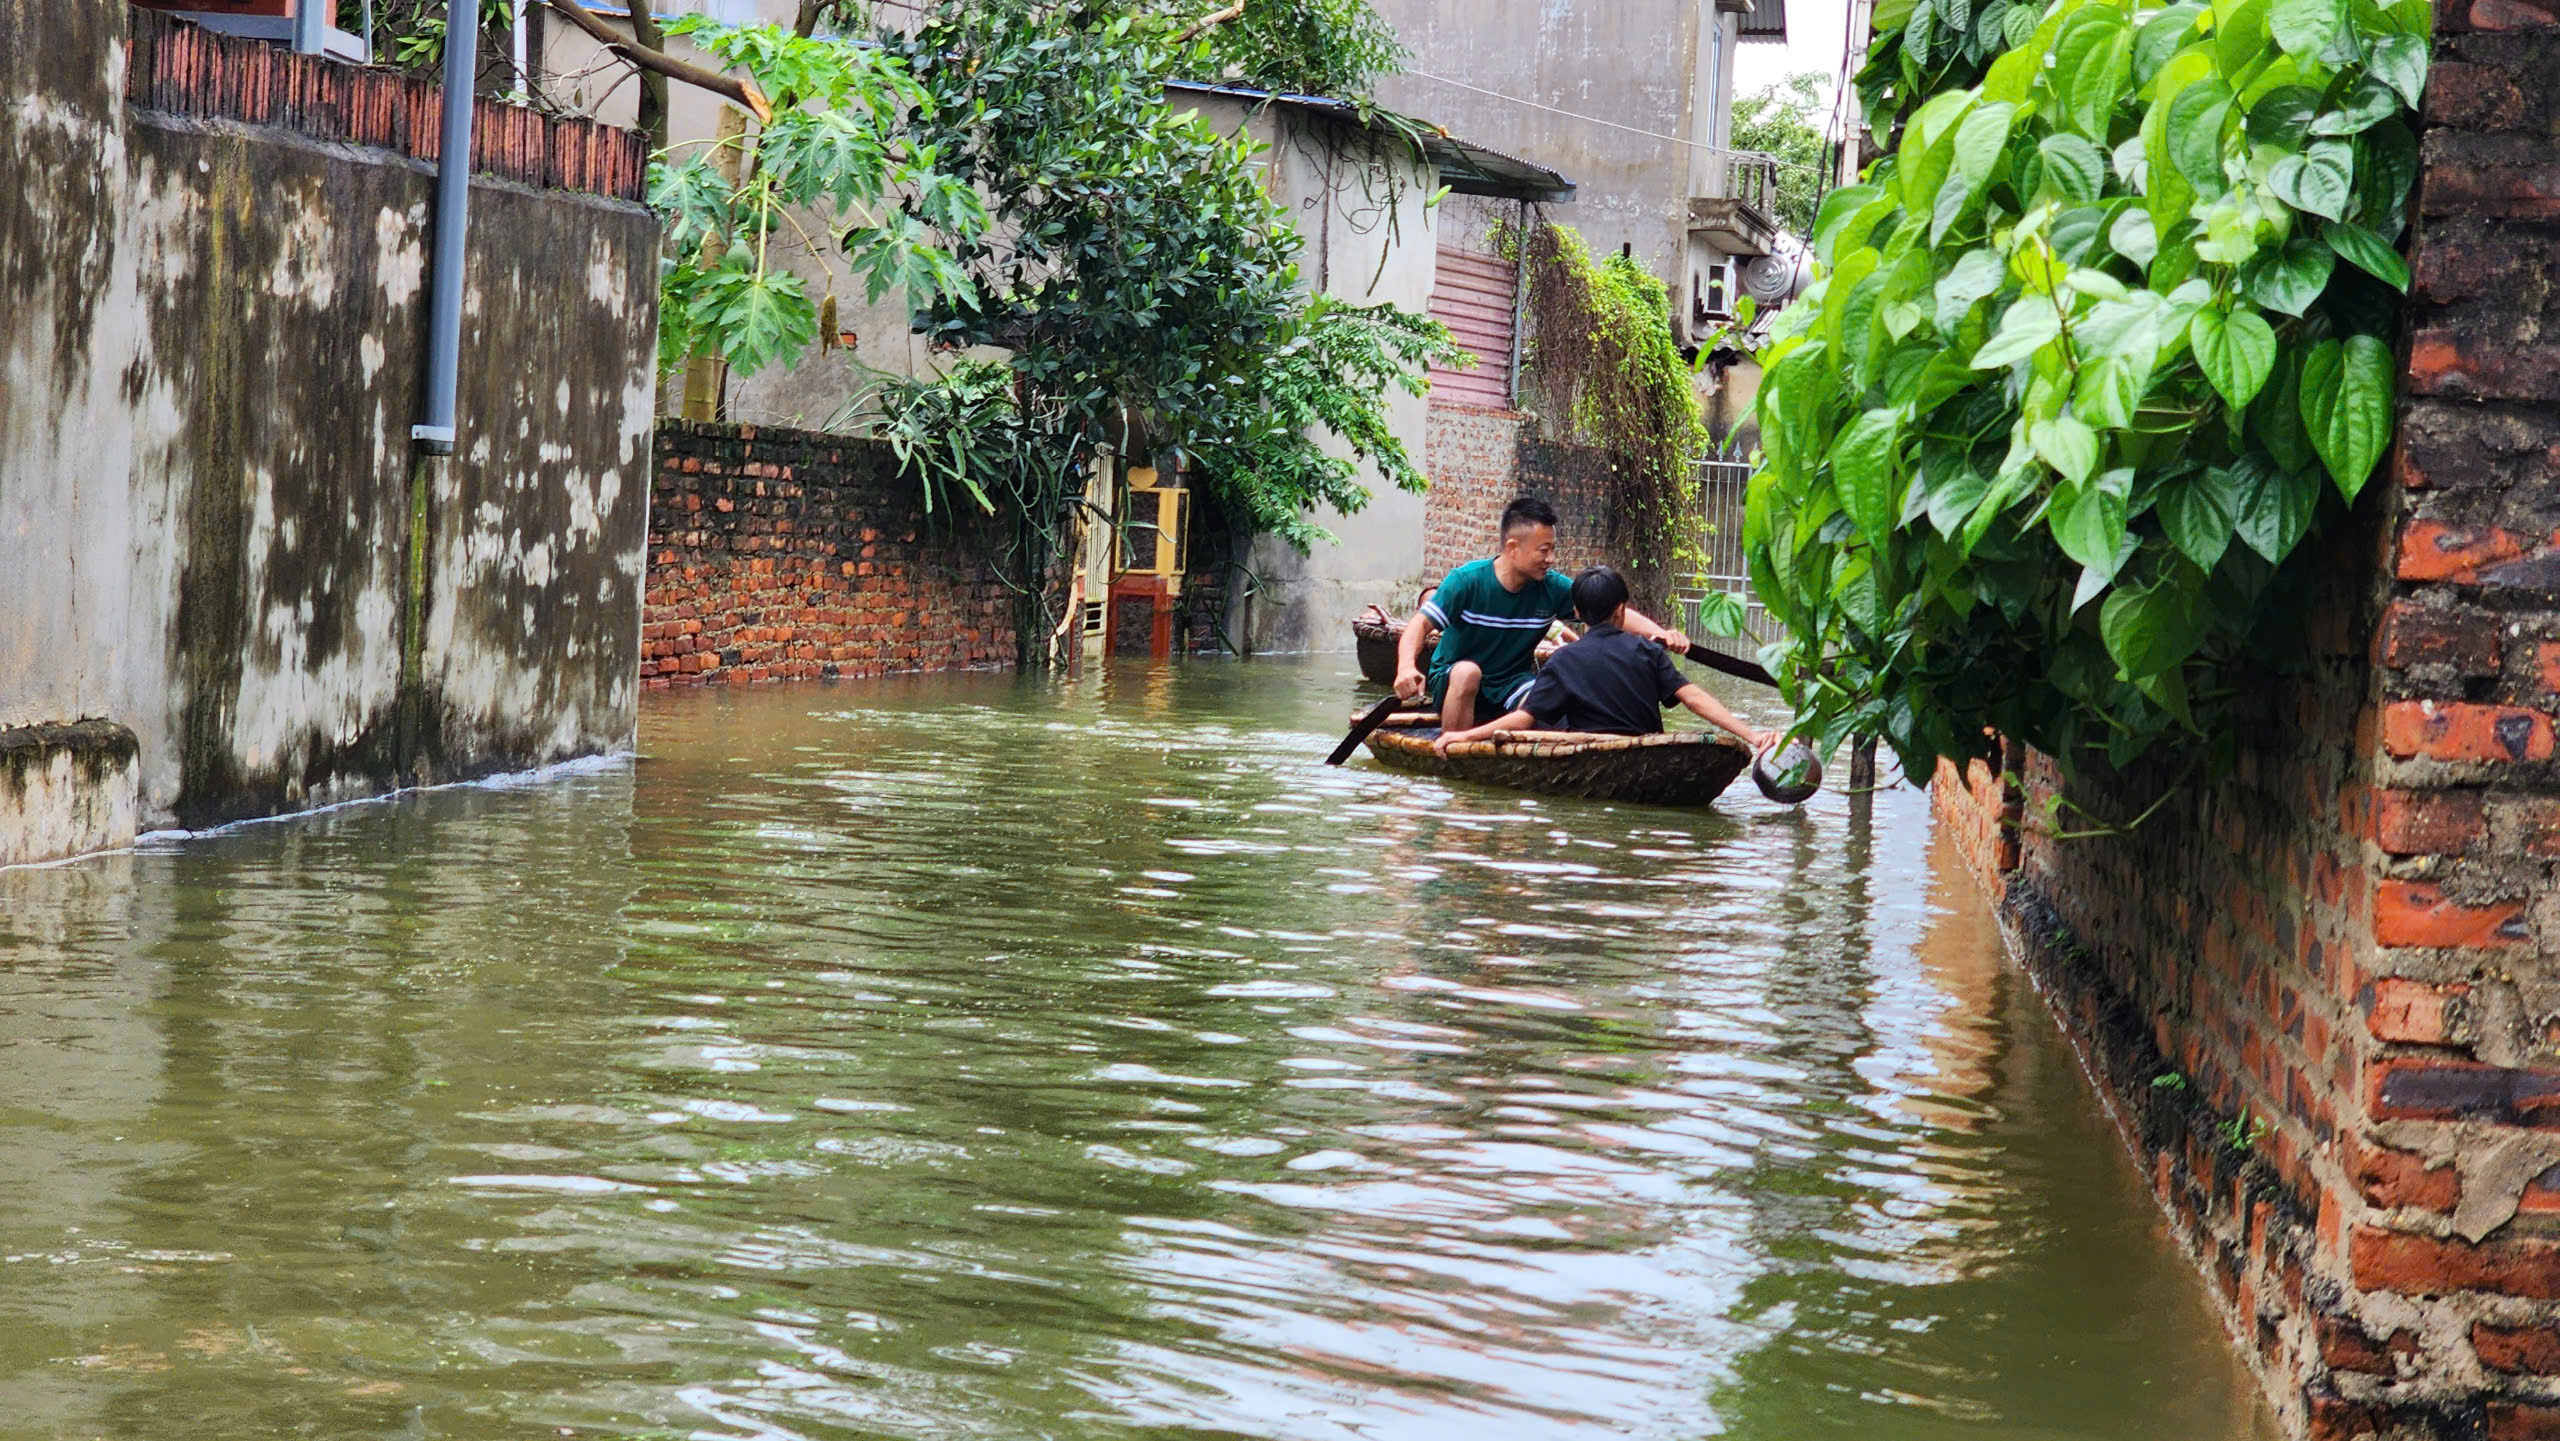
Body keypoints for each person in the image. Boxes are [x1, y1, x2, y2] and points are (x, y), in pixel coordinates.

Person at [1393, 497, 1696, 732]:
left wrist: (1660, 633)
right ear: (1513, 548)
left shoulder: (1551, 587)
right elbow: (1419, 625)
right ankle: (1454, 753)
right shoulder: (1467, 581)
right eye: (1543, 550)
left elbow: (1612, 611)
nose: (1550, 559)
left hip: (1512, 682)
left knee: (1548, 698)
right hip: (1453, 679)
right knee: (1468, 672)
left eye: (1553, 549)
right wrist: (1406, 667)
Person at [1433, 565, 1777, 756]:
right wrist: (1753, 735)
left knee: (1544, 715)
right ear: (1621, 610)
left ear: (1577, 613)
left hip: (1585, 750)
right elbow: (1693, 698)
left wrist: (1465, 737)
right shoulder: (1648, 651)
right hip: (1645, 750)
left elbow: (1522, 721)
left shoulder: (1564, 661)